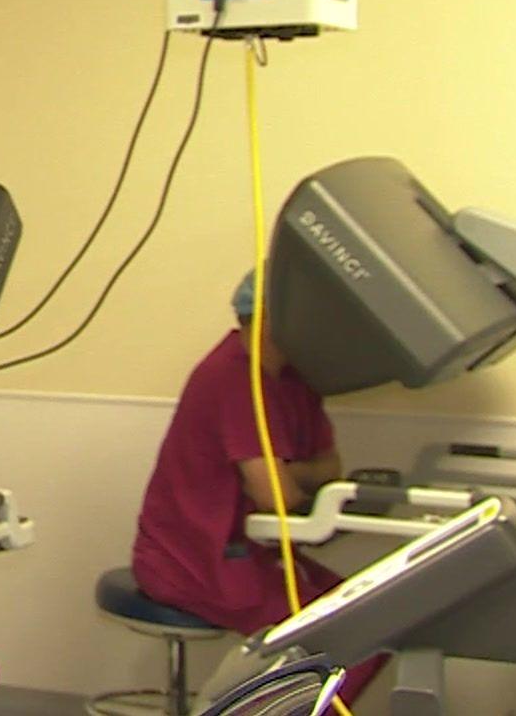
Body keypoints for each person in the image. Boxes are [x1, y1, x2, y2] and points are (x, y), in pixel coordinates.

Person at [130, 268, 382, 703]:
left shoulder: (295, 380)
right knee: (343, 648)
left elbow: (330, 468)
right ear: (271, 316)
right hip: (195, 561)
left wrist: (286, 472)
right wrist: (293, 476)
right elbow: (278, 497)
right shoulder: (230, 378)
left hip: (257, 556)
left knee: (374, 623)